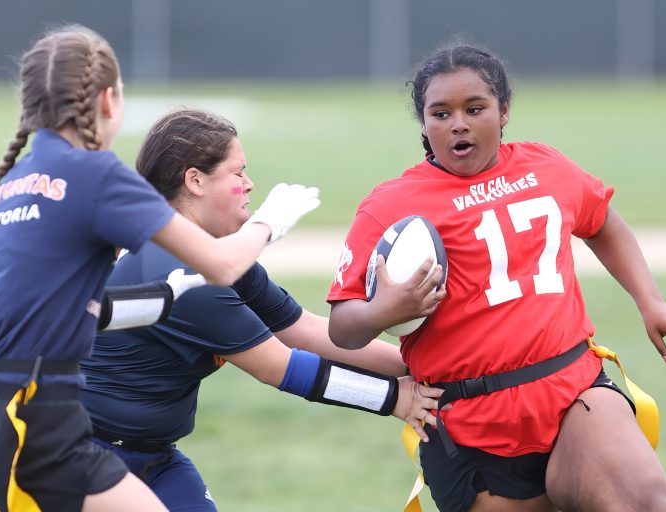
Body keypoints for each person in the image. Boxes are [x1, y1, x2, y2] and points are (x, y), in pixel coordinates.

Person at [0, 24, 320, 512]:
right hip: (40, 423)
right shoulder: (95, 173)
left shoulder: (16, 180)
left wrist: (168, 298)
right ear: (108, 101)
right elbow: (225, 262)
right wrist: (270, 222)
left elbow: (78, 312)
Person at [326, 41, 666, 512]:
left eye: (474, 108)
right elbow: (342, 326)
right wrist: (382, 311)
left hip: (573, 391)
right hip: (472, 423)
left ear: (503, 112)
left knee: (648, 505)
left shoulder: (546, 167)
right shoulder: (390, 206)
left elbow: (603, 222)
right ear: (423, 123)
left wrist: (651, 301)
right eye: (440, 113)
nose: (458, 123)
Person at [78, 107, 444, 511]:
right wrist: (394, 399)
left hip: (155, 455)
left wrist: (418, 365)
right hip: (83, 454)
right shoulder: (179, 267)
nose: (250, 184)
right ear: (195, 180)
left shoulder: (219, 257)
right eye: (238, 173)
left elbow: (304, 329)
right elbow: (280, 368)